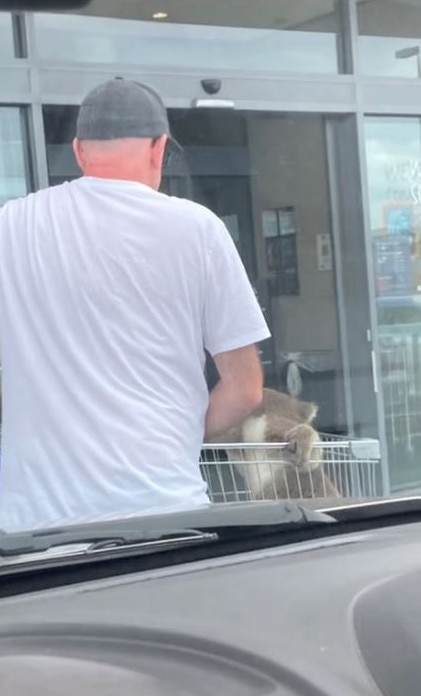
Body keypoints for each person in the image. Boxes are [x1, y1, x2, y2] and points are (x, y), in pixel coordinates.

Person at [0, 78, 270, 532]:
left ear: (80, 151)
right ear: (158, 149)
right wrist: (170, 439)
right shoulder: (197, 230)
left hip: (33, 527)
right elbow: (245, 389)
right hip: (162, 512)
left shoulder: (10, 226)